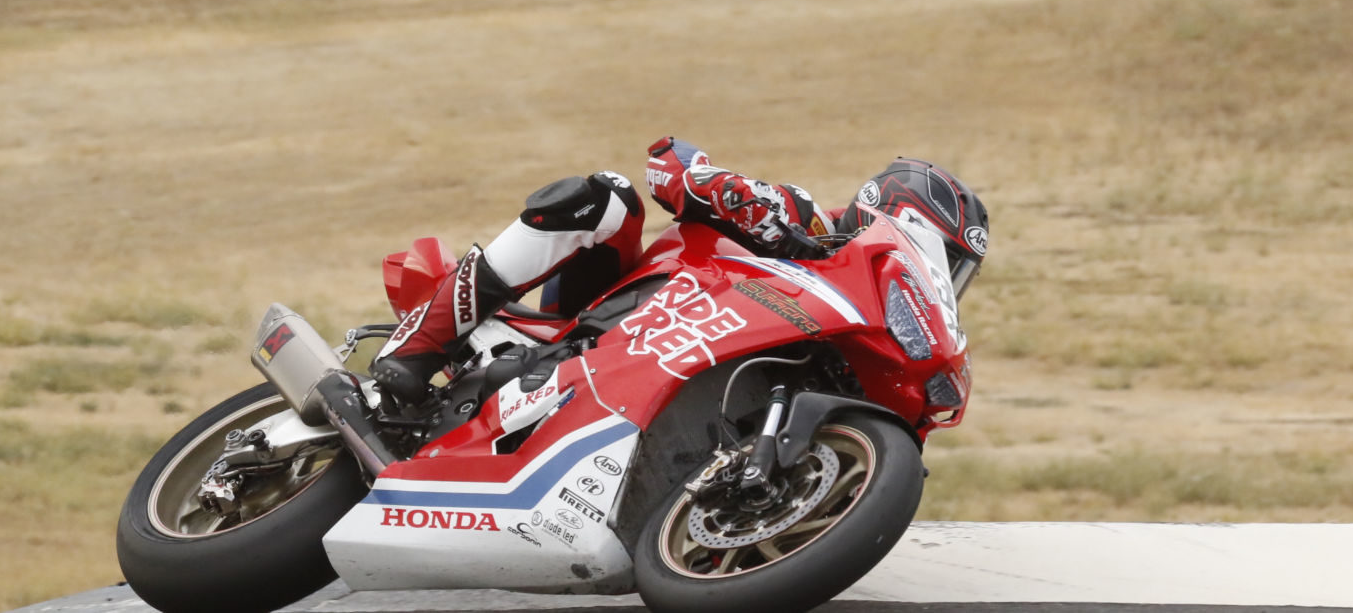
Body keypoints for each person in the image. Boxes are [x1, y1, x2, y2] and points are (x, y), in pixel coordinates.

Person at [370, 137, 989, 403]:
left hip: (672, 370)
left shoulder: (870, 331)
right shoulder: (803, 220)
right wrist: (727, 192)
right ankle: (421, 346)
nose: (944, 279)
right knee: (605, 198)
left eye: (957, 273)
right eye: (945, 257)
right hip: (611, 320)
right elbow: (667, 163)